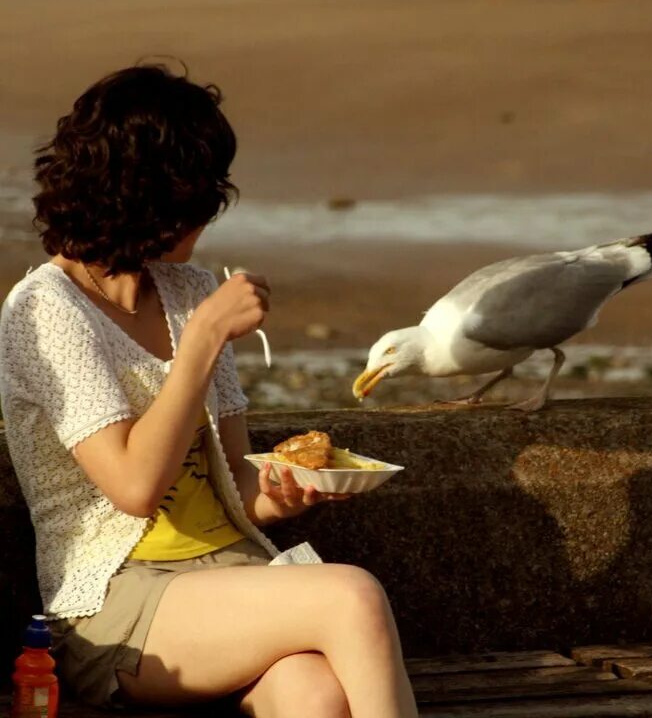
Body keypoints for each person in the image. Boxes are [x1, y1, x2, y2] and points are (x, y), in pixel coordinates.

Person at [0, 64, 418, 718]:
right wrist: (202, 339)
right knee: (352, 597)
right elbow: (134, 489)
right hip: (116, 602)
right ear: (155, 196)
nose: (217, 204)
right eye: (206, 187)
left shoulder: (188, 290)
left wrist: (278, 497)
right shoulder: (45, 311)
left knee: (317, 693)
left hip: (232, 575)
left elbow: (236, 489)